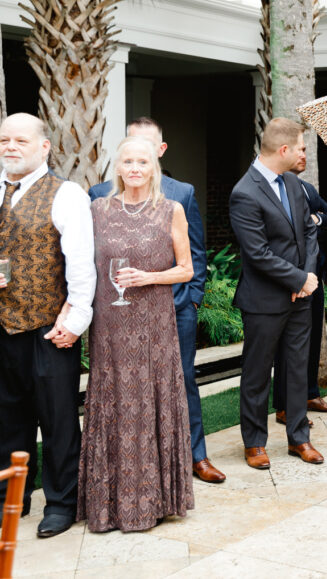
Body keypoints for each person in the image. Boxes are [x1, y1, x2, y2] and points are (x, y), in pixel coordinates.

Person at [87, 117, 223, 484]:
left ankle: (195, 456)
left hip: (173, 308)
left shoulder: (181, 194)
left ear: (159, 154)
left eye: (145, 154)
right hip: (118, 314)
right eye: (130, 152)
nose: (136, 161)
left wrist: (191, 300)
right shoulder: (99, 197)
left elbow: (194, 255)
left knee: (181, 382)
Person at [78, 136, 195, 532]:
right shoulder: (97, 210)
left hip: (153, 326)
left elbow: (186, 270)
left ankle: (157, 499)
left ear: (153, 166)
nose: (134, 168)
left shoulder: (171, 210)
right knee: (114, 403)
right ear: (118, 167)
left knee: (151, 400)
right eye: (127, 161)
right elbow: (80, 263)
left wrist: (150, 277)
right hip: (109, 325)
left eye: (142, 162)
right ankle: (109, 504)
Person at [0, 113, 95, 539]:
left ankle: (60, 503)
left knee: (57, 420)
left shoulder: (66, 194)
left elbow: (81, 264)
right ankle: (10, 498)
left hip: (49, 327)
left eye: (21, 140)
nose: (10, 147)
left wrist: (76, 321)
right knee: (7, 419)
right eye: (4, 140)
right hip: (2, 327)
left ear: (44, 147)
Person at [229, 117, 322, 468]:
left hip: (301, 297)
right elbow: (257, 253)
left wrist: (308, 277)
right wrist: (298, 279)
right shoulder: (245, 192)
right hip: (264, 301)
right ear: (283, 150)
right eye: (300, 147)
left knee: (297, 370)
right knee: (257, 373)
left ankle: (299, 438)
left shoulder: (295, 184)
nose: (303, 153)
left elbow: (310, 231)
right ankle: (254, 442)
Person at [272, 152, 327, 428]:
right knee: (284, 345)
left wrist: (317, 221)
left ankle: (310, 395)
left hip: (314, 276)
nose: (304, 155)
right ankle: (283, 407)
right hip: (284, 280)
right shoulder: (270, 190)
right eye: (298, 150)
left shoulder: (307, 189)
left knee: (312, 338)